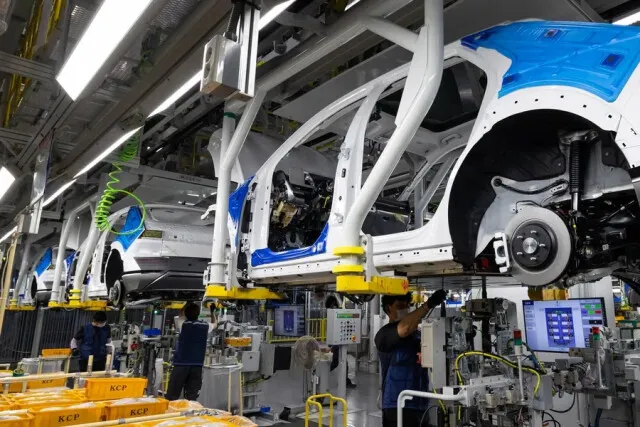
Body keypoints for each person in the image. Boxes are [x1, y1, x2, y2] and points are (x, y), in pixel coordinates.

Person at [375, 290, 447, 427]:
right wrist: (428, 304)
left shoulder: (417, 335)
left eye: (407, 306)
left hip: (421, 404)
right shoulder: (384, 335)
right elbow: (405, 327)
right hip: (397, 406)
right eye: (400, 306)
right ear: (388, 309)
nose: (405, 310)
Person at [166, 302, 209, 401]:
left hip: (181, 364)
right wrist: (212, 312)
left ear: (186, 313)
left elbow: (180, 313)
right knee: (191, 397)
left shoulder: (183, 324)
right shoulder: (205, 325)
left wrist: (187, 302)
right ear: (198, 313)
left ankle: (169, 409)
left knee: (172, 394)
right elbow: (214, 323)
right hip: (197, 365)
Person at [326, 295, 356, 389]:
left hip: (339, 341)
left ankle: (345, 381)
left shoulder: (333, 313)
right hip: (337, 342)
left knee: (341, 362)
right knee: (336, 362)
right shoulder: (335, 313)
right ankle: (321, 375)